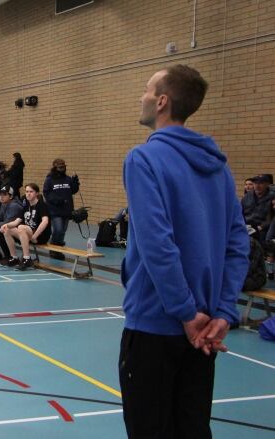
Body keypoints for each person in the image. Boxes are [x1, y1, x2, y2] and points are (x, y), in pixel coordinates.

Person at [118, 65, 248, 438]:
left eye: (146, 90)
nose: (141, 97)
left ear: (162, 101)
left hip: (159, 324)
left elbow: (158, 245)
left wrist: (185, 313)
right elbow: (237, 246)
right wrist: (222, 312)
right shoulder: (220, 169)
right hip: (205, 332)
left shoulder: (143, 160)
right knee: (192, 429)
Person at [0, 183, 50, 269]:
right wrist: (5, 225)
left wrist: (35, 236)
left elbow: (45, 222)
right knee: (7, 229)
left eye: (31, 191)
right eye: (27, 191)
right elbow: (16, 221)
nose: (28, 194)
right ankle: (14, 257)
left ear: (37, 193)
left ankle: (27, 258)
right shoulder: (26, 205)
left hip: (40, 236)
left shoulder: (41, 205)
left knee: (21, 227)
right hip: (26, 233)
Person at [43, 158, 79, 260]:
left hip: (67, 209)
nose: (62, 168)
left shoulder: (68, 179)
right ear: (55, 167)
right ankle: (54, 248)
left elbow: (73, 190)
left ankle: (58, 250)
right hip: (55, 210)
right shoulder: (49, 180)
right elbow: (46, 193)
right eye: (60, 167)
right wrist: (58, 200)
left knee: (63, 231)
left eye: (63, 167)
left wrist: (75, 181)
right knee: (58, 230)